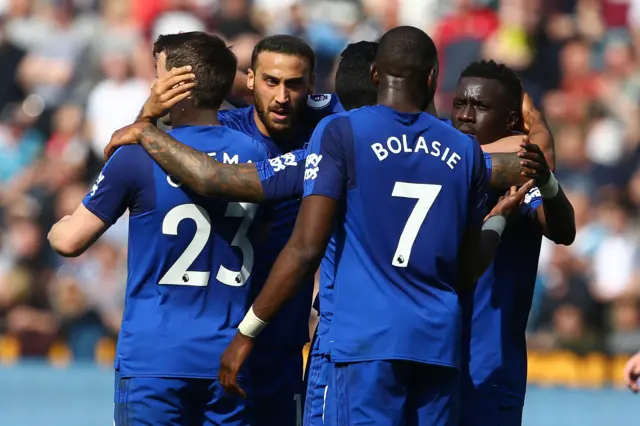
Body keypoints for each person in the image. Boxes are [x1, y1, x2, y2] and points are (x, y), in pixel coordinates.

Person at [217, 26, 535, 426]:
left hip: (363, 343)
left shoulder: (340, 132)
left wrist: (247, 332)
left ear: (373, 75)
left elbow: (305, 248)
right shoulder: (463, 149)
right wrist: (500, 220)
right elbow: (469, 269)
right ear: (434, 78)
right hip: (438, 344)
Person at [48, 32, 269, 426]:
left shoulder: (138, 156)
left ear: (178, 87)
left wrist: (143, 119)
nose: (152, 85)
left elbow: (68, 241)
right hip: (229, 357)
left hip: (156, 357)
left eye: (158, 75)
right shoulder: (258, 155)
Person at [451, 60, 576, 426]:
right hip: (429, 357)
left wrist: (545, 180)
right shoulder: (440, 153)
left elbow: (562, 230)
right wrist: (536, 119)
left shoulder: (520, 179)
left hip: (489, 368)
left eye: (480, 106)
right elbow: (540, 151)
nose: (465, 116)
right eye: (459, 103)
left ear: (509, 119)